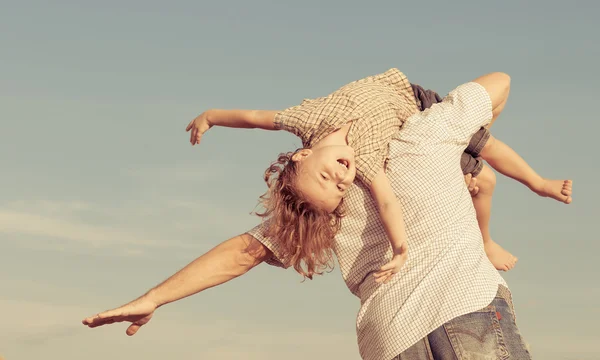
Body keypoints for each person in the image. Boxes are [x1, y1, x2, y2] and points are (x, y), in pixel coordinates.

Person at [83, 72, 563, 359]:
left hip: (389, 342)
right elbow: (499, 82)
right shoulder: (427, 131)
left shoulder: (322, 208)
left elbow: (243, 253)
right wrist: (465, 129)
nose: (340, 180)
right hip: (464, 310)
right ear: (300, 153)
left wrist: (154, 297)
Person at [185, 69, 571, 274]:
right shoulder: (367, 161)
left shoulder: (303, 119)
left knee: (482, 145)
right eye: (339, 188)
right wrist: (401, 248)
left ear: (301, 156)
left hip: (414, 97)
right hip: (415, 122)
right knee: (487, 174)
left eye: (326, 177)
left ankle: (531, 181)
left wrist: (212, 116)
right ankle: (506, 219)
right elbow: (387, 203)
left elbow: (254, 117)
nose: (342, 177)